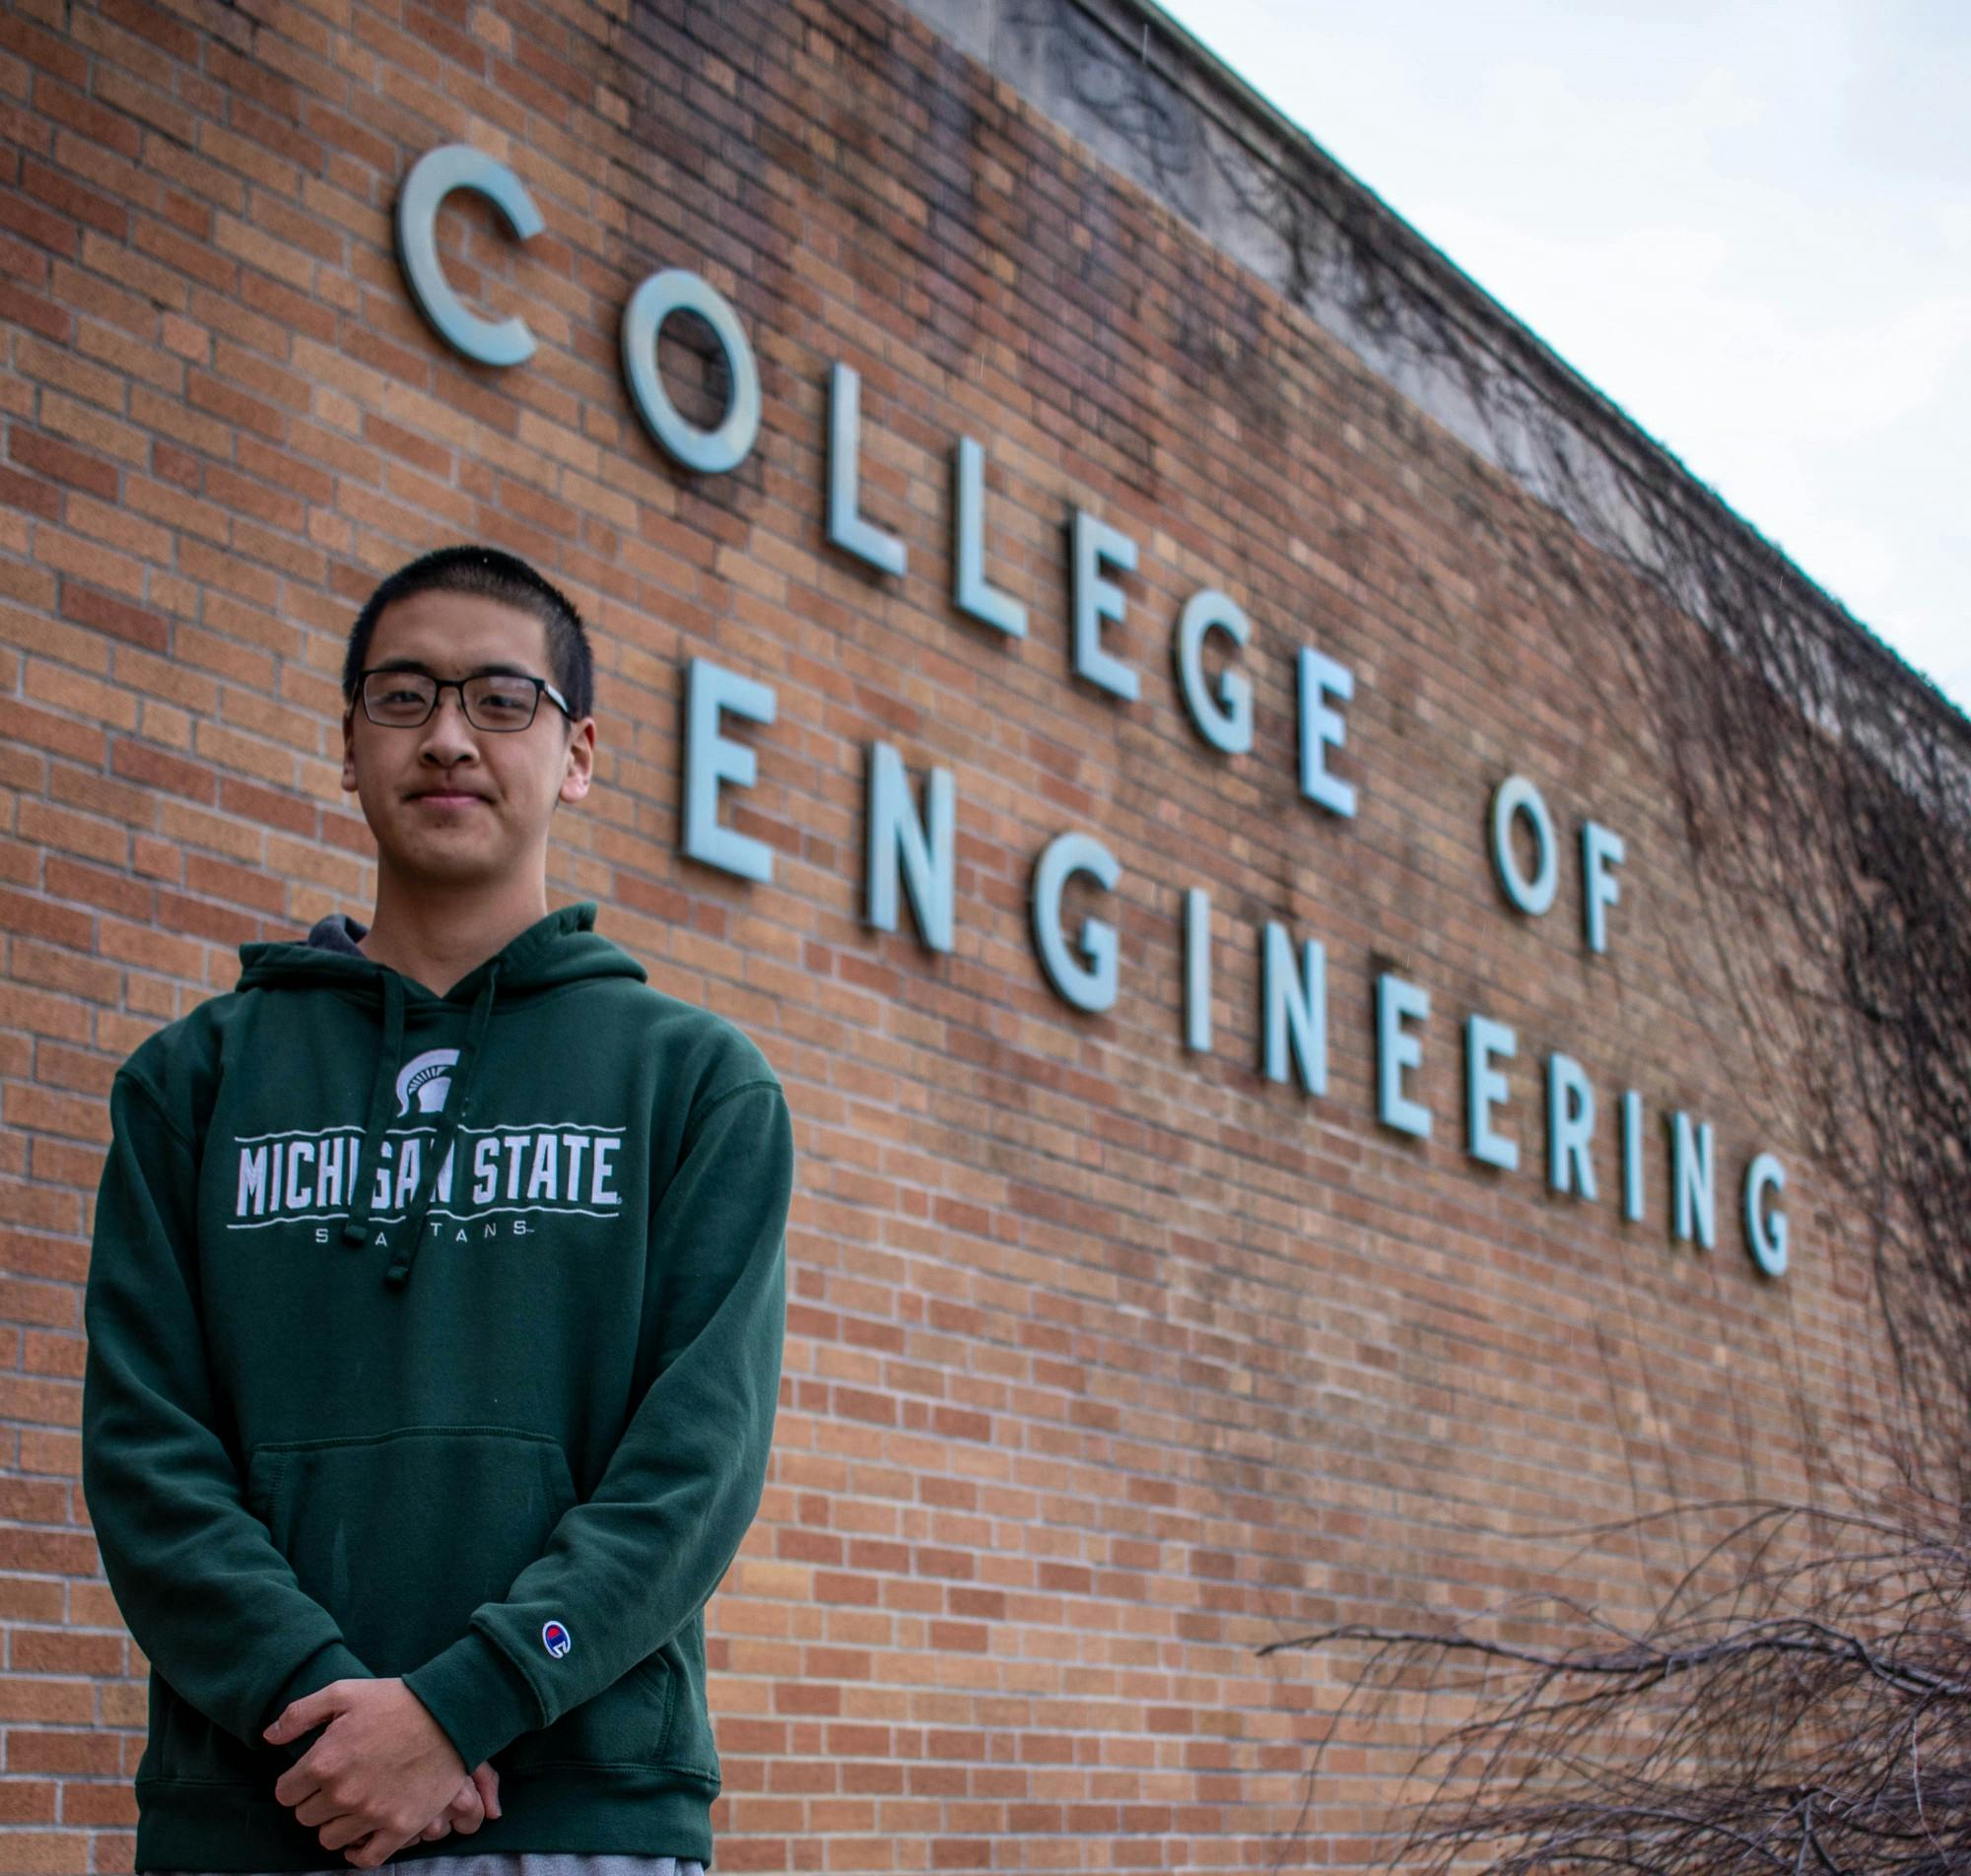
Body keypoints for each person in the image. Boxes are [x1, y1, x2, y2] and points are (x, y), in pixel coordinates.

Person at [80, 546, 794, 1874]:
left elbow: (694, 1467)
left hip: (578, 1809)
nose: (449, 736)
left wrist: (468, 1700)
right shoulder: (194, 1082)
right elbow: (144, 1451)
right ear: (347, 747)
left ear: (576, 754)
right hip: (256, 1805)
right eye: (402, 697)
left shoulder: (695, 1086)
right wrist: (326, 1714)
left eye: (499, 699)